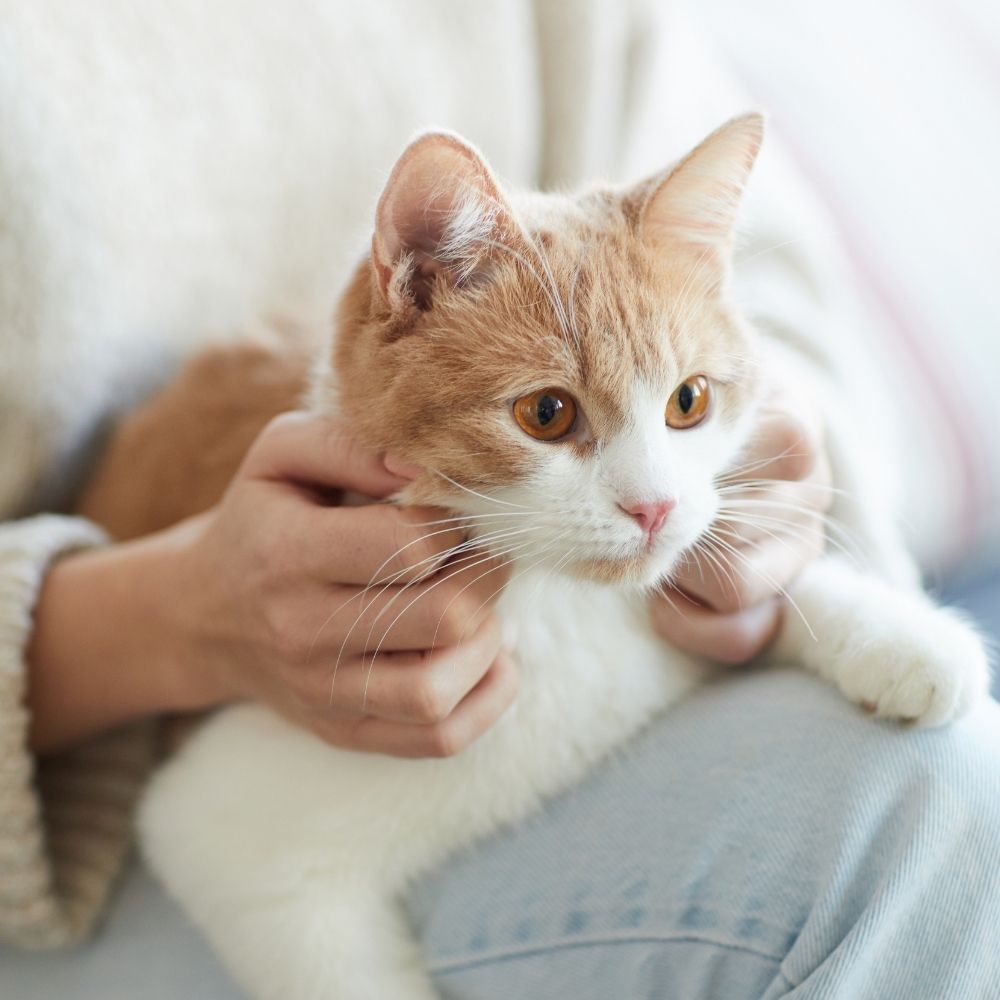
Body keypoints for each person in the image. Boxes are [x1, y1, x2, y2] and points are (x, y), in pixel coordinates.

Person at [2, 3, 999, 998]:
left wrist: (793, 505)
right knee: (925, 828)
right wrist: (160, 619)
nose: (653, 499)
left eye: (686, 406)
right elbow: (221, 838)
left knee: (948, 785)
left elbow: (771, 283)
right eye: (550, 413)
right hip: (73, 830)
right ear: (420, 283)